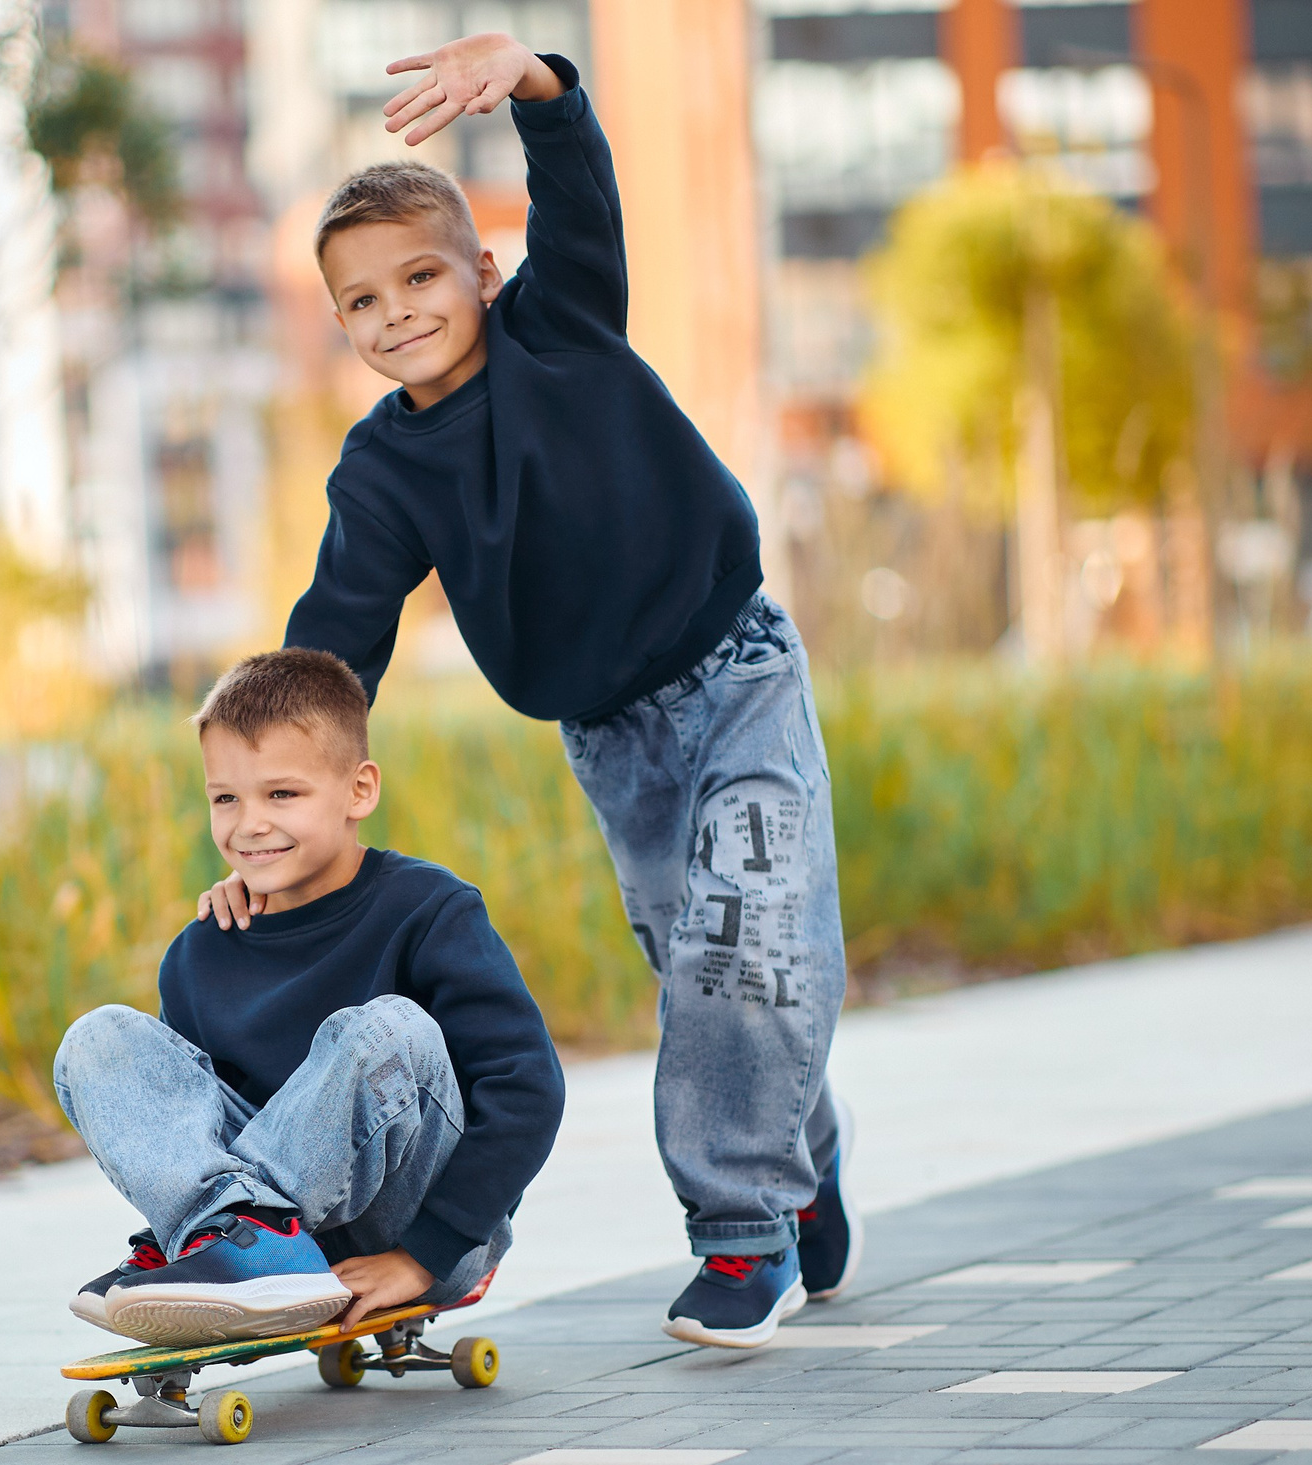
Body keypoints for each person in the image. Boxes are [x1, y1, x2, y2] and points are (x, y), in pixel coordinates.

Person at [201, 33, 859, 1351]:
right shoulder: (381, 474)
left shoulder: (560, 322)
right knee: (707, 961)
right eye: (364, 301)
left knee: (749, 937)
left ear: (483, 272)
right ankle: (799, 1165)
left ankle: (742, 1235)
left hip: (737, 675)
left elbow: (579, 186)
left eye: (422, 278)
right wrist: (272, 822)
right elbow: (336, 652)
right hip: (613, 741)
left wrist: (537, 83)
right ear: (341, 325)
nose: (398, 312)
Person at [57, 648, 565, 1347]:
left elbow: (528, 1086)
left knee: (386, 1030)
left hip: (420, 1234)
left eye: (282, 794)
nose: (250, 824)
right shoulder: (199, 952)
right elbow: (195, 1125)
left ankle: (248, 1243)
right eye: (226, 798)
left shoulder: (429, 908)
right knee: (99, 1037)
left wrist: (428, 1252)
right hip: (280, 1251)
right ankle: (226, 1237)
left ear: (359, 791)